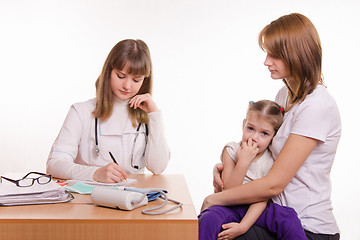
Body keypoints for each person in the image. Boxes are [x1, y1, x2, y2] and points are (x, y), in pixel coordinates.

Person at [203, 13, 341, 240]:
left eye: (275, 55)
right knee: (210, 225)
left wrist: (215, 198)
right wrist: (228, 165)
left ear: (297, 55)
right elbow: (264, 153)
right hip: (270, 213)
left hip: (306, 226)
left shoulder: (317, 106)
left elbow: (273, 185)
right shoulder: (284, 95)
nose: (267, 61)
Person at [46, 39, 170, 183]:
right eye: (121, 76)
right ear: (108, 72)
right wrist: (94, 173)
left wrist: (154, 116)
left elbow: (158, 167)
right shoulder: (81, 112)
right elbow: (54, 164)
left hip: (131, 200)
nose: (127, 86)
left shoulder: (147, 115)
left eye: (137, 80)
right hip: (88, 200)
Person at [199, 100, 307, 240]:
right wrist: (243, 161)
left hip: (258, 208)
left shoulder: (271, 158)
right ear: (243, 124)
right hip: (228, 204)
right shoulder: (231, 150)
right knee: (209, 218)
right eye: (250, 129)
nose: (254, 138)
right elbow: (228, 192)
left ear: (273, 136)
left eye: (264, 133)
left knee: (289, 218)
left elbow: (262, 197)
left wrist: (243, 226)